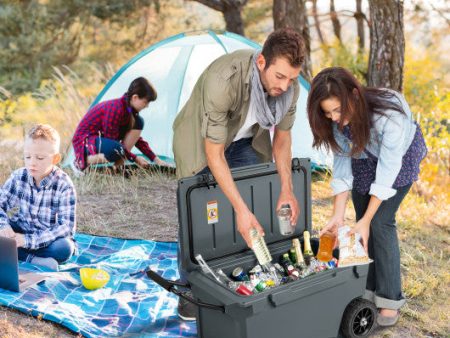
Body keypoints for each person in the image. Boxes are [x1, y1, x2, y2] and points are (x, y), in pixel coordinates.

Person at [173, 28, 305, 320]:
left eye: (292, 79)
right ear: (261, 63)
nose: (284, 86)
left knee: (249, 206)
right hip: (200, 141)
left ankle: (239, 276)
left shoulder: (289, 89)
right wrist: (239, 210)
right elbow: (214, 152)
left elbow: (282, 139)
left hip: (245, 139)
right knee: (198, 216)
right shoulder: (225, 80)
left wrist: (287, 188)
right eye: (279, 76)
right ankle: (188, 291)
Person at [307, 67, 427, 327]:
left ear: (353, 95)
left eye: (338, 110)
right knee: (362, 224)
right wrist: (337, 215)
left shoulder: (389, 116)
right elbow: (341, 163)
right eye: (328, 113)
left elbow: (387, 171)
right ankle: (368, 288)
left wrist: (368, 218)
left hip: (398, 160)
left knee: (379, 222)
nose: (335, 118)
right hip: (364, 158)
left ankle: (389, 298)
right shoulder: (337, 123)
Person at [0, 124, 77, 270]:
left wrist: (27, 241)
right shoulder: (18, 177)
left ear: (55, 159)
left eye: (40, 158)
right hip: (20, 230)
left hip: (47, 239)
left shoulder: (64, 184)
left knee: (64, 248)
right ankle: (31, 259)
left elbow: (66, 227)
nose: (32, 162)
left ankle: (19, 254)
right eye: (27, 156)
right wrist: (4, 227)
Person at [72, 77, 170, 173]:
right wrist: (135, 158)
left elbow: (136, 139)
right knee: (116, 149)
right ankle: (81, 161)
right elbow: (113, 143)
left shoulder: (129, 112)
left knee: (139, 122)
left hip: (101, 141)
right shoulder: (116, 109)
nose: (147, 106)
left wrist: (155, 159)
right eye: (145, 102)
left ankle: (116, 167)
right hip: (85, 141)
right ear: (135, 97)